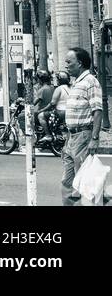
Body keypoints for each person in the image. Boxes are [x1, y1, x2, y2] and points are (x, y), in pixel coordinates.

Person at [60, 47, 103, 206]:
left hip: (83, 137)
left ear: (79, 63)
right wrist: (68, 138)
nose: (66, 65)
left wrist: (94, 138)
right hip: (72, 137)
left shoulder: (90, 81)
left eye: (69, 62)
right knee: (67, 181)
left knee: (84, 182)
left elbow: (97, 110)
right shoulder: (76, 83)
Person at [33, 70, 54, 138]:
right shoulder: (53, 87)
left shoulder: (42, 90)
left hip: (45, 111)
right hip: (52, 110)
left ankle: (47, 134)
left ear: (40, 80)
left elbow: (34, 102)